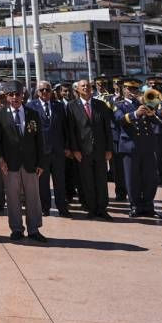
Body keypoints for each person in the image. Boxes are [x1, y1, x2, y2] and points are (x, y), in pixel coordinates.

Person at [0, 80, 48, 242]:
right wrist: (0, 160)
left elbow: (39, 141)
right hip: (10, 164)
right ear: (6, 97)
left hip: (30, 163)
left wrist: (41, 163)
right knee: (13, 198)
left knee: (33, 197)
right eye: (11, 95)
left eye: (18, 94)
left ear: (23, 96)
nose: (15, 97)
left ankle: (34, 229)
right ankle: (16, 228)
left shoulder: (32, 114)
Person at [63, 79, 113, 220]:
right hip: (82, 151)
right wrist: (75, 150)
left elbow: (107, 129)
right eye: (83, 86)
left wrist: (109, 149)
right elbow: (71, 130)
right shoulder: (72, 106)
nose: (86, 88)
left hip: (100, 149)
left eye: (88, 86)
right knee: (87, 181)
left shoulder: (101, 105)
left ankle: (102, 208)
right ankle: (91, 208)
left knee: (101, 180)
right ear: (78, 89)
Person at [114, 79, 162, 218]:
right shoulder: (119, 104)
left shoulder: (144, 103)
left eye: (135, 90)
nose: (132, 92)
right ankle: (135, 206)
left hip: (147, 146)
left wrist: (150, 112)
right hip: (130, 146)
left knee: (150, 178)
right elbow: (119, 120)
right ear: (124, 89)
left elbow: (158, 121)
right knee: (132, 178)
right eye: (130, 89)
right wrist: (136, 114)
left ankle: (149, 206)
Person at [27, 81, 70, 217]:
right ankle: (45, 208)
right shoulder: (30, 106)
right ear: (37, 92)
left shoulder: (59, 106)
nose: (44, 92)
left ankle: (62, 208)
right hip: (41, 152)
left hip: (58, 151)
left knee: (60, 181)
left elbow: (65, 128)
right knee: (42, 182)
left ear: (51, 91)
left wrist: (67, 146)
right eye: (41, 90)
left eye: (47, 90)